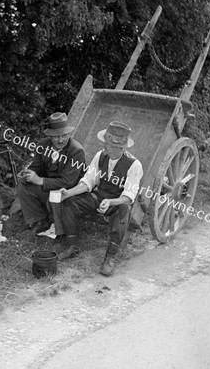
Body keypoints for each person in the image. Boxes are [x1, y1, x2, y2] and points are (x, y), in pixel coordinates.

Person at [58, 121, 143, 276]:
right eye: (105, 142)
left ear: (119, 147)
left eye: (108, 144)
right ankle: (72, 246)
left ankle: (110, 256)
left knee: (124, 209)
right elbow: (89, 181)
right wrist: (69, 193)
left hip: (117, 203)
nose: (104, 146)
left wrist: (111, 202)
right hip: (98, 198)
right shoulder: (101, 156)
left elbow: (129, 196)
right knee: (69, 202)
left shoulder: (134, 165)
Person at [17, 112, 85, 234]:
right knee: (24, 188)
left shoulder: (76, 151)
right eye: (56, 136)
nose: (61, 140)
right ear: (50, 136)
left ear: (69, 133)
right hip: (49, 187)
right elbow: (36, 167)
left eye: (64, 135)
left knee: (55, 195)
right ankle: (40, 221)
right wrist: (27, 175)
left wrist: (39, 180)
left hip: (68, 192)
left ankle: (62, 232)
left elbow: (68, 181)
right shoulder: (42, 145)